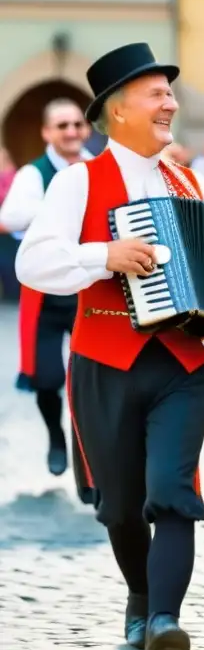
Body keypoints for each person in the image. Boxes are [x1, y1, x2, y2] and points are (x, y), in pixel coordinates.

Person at [14, 43, 204, 650]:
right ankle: (140, 594)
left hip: (181, 363)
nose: (170, 104)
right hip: (102, 361)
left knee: (172, 491)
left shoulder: (193, 180)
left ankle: (164, 619)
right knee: (120, 506)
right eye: (157, 94)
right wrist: (105, 254)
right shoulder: (79, 182)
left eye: (170, 94)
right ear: (118, 110)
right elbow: (33, 263)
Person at [0, 99, 95, 495]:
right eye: (62, 125)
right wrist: (65, 208)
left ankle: (87, 467)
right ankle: (55, 436)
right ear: (47, 133)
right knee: (47, 379)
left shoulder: (97, 168)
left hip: (89, 291)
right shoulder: (32, 174)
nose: (71, 131)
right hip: (43, 295)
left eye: (77, 124)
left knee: (89, 384)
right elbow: (9, 218)